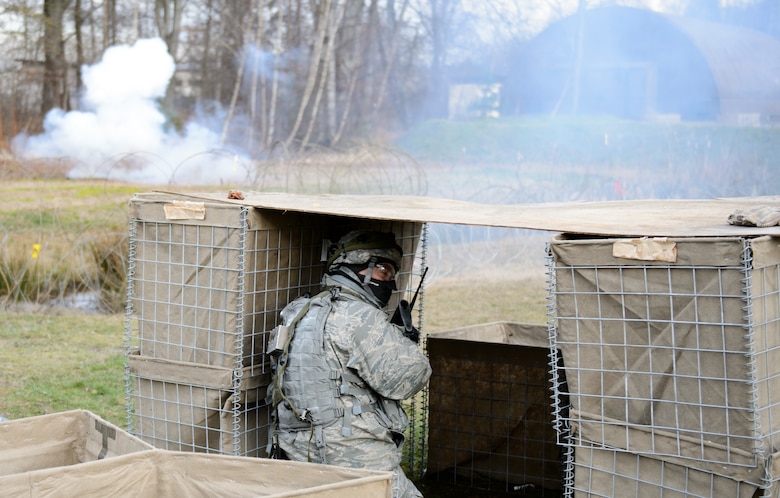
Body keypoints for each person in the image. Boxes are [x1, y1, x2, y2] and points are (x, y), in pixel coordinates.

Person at [267, 230, 432, 498]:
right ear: (358, 268)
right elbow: (408, 379)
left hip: (297, 448)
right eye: (383, 271)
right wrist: (406, 343)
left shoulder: (298, 309)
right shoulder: (360, 315)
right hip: (353, 452)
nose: (388, 283)